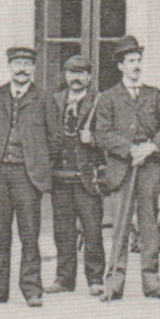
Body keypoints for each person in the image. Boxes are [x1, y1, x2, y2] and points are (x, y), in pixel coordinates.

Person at [93, 36, 160, 301]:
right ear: (120, 66)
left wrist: (151, 148)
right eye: (131, 61)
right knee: (120, 227)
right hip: (122, 169)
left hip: (148, 167)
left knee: (150, 226)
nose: (136, 66)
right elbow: (102, 133)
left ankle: (152, 283)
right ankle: (114, 283)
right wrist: (130, 150)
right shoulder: (108, 98)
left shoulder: (154, 94)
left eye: (139, 60)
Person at [0, 46, 52, 307]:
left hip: (28, 176)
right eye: (17, 63)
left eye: (27, 64)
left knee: (30, 233)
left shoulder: (44, 98)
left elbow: (55, 139)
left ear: (34, 69)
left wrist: (38, 164)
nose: (22, 69)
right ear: (9, 66)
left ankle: (32, 289)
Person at [44, 54, 106, 295]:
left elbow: (109, 134)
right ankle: (64, 279)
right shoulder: (56, 100)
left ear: (89, 77)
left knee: (92, 229)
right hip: (60, 175)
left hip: (86, 176)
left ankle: (95, 279)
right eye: (71, 72)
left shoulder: (99, 102)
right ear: (65, 75)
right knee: (63, 230)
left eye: (81, 73)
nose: (76, 78)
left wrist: (95, 139)